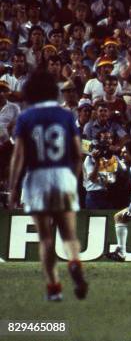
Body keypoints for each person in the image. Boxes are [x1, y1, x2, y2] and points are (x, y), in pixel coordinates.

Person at [8, 70, 88, 301]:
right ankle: (74, 262)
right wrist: (73, 179)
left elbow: (19, 156)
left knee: (45, 238)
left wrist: (13, 188)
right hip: (63, 175)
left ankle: (54, 289)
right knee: (69, 234)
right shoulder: (65, 116)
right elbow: (77, 153)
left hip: (38, 177)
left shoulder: (26, 117)